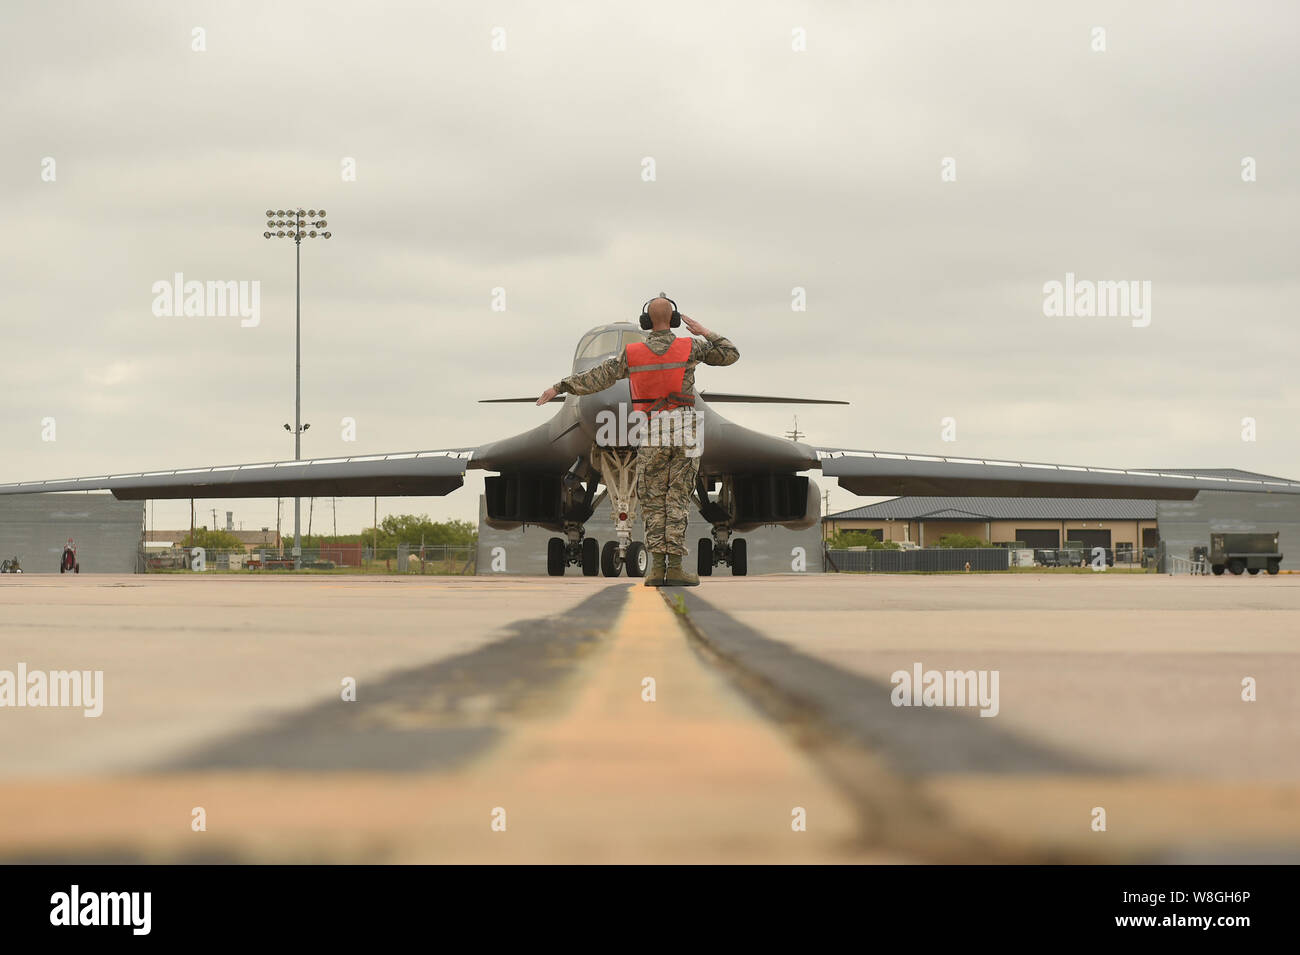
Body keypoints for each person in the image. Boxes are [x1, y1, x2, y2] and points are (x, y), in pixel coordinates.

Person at [536, 297, 739, 585]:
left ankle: (656, 568)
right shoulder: (688, 347)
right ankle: (677, 567)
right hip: (684, 429)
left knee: (653, 501)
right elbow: (730, 353)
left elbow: (598, 377)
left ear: (646, 321)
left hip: (651, 429)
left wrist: (559, 387)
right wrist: (703, 331)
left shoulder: (634, 354)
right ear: (675, 319)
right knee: (677, 498)